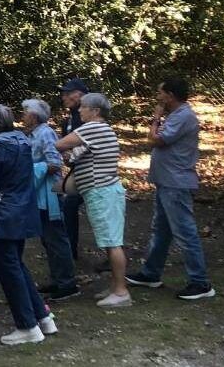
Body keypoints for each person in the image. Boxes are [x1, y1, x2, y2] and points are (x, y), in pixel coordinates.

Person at [0, 103, 56, 345]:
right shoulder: (22, 140)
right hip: (21, 211)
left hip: (2, 215)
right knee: (17, 265)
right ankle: (43, 317)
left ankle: (27, 326)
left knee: (9, 270)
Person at [127, 78, 215, 300]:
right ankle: (151, 273)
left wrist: (155, 118)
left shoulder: (184, 115)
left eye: (161, 93)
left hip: (176, 183)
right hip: (166, 181)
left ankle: (200, 283)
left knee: (185, 232)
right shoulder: (177, 115)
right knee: (162, 230)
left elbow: (156, 140)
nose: (158, 97)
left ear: (171, 95)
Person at [55, 93, 131, 308]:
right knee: (109, 241)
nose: (79, 110)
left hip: (102, 192)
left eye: (83, 107)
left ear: (95, 111)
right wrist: (68, 154)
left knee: (112, 242)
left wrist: (59, 146)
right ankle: (116, 285)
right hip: (103, 192)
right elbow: (73, 156)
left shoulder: (93, 128)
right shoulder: (99, 131)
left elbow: (60, 144)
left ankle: (121, 292)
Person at [22, 99, 79, 301]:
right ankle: (58, 279)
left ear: (35, 116)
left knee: (56, 237)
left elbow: (54, 162)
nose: (23, 115)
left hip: (48, 193)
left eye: (26, 112)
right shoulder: (34, 133)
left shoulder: (45, 133)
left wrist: (31, 171)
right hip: (39, 193)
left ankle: (67, 283)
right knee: (48, 238)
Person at [57, 78, 89, 260]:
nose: (64, 97)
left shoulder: (86, 119)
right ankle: (69, 249)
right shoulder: (69, 118)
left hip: (90, 172)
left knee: (70, 204)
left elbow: (88, 144)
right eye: (63, 93)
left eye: (68, 93)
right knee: (68, 205)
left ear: (81, 94)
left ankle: (69, 250)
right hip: (76, 170)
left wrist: (70, 154)